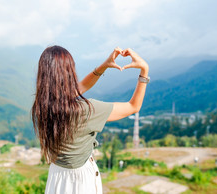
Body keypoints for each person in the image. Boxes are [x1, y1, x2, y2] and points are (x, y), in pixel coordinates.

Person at [31, 46, 149, 194]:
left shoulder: (43, 104)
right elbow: (133, 106)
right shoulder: (86, 110)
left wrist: (104, 65)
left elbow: (80, 87)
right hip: (80, 181)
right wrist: (144, 71)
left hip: (57, 176)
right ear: (69, 72)